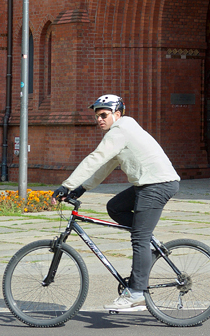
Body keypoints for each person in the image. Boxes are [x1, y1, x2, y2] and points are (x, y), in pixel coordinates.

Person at [52, 94, 181, 312]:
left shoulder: (121, 130)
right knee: (115, 207)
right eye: (97, 116)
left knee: (139, 237)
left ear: (117, 114)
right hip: (149, 183)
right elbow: (106, 165)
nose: (99, 119)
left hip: (158, 184)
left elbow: (96, 157)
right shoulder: (121, 133)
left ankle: (137, 293)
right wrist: (82, 188)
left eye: (104, 115)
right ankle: (147, 243)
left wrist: (67, 185)